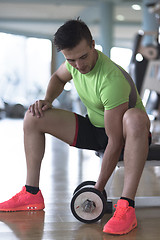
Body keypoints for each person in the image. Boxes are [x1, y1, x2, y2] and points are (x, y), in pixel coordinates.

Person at [0, 19, 150, 235]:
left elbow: (115, 141)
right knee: (33, 117)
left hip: (128, 136)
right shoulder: (73, 64)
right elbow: (58, 78)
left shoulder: (111, 79)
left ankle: (127, 207)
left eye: (83, 57)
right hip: (96, 127)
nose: (79, 66)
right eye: (71, 60)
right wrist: (47, 100)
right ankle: (31, 193)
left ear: (92, 44)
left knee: (134, 118)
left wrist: (98, 190)